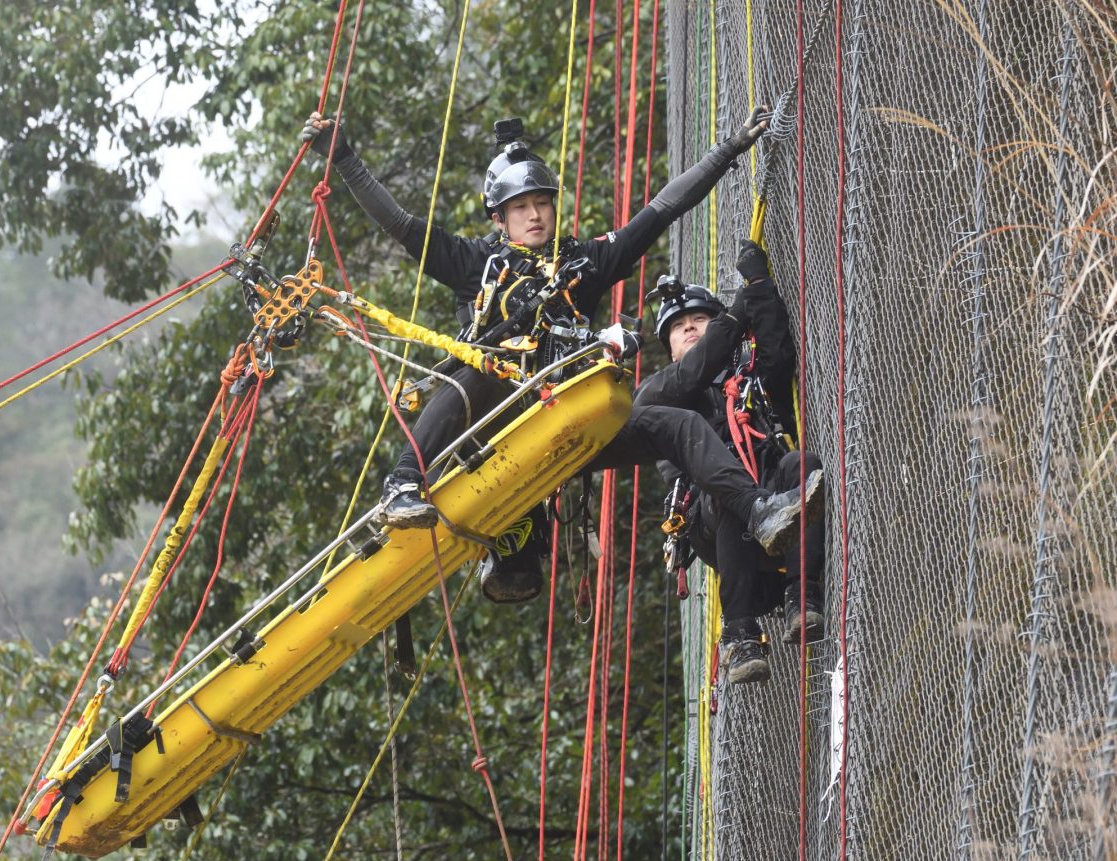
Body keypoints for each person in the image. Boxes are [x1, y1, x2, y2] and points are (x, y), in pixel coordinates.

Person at [301, 110, 820, 604]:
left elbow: (661, 210)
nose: (534, 214)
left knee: (677, 426)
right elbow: (400, 225)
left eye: (542, 203)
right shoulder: (474, 263)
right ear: (499, 216)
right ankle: (403, 482)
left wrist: (727, 151)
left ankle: (759, 512)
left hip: (569, 417)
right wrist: (344, 158)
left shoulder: (583, 262)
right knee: (475, 374)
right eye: (521, 207)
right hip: (498, 418)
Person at [637, 240, 825, 683]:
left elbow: (778, 353)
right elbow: (692, 373)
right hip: (716, 517)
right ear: (669, 347)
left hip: (772, 492)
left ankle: (803, 597)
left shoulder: (747, 376)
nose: (690, 329)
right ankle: (740, 636)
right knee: (725, 493)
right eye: (679, 326)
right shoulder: (661, 394)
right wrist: (734, 315)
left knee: (804, 465)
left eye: (699, 319)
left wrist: (758, 287)